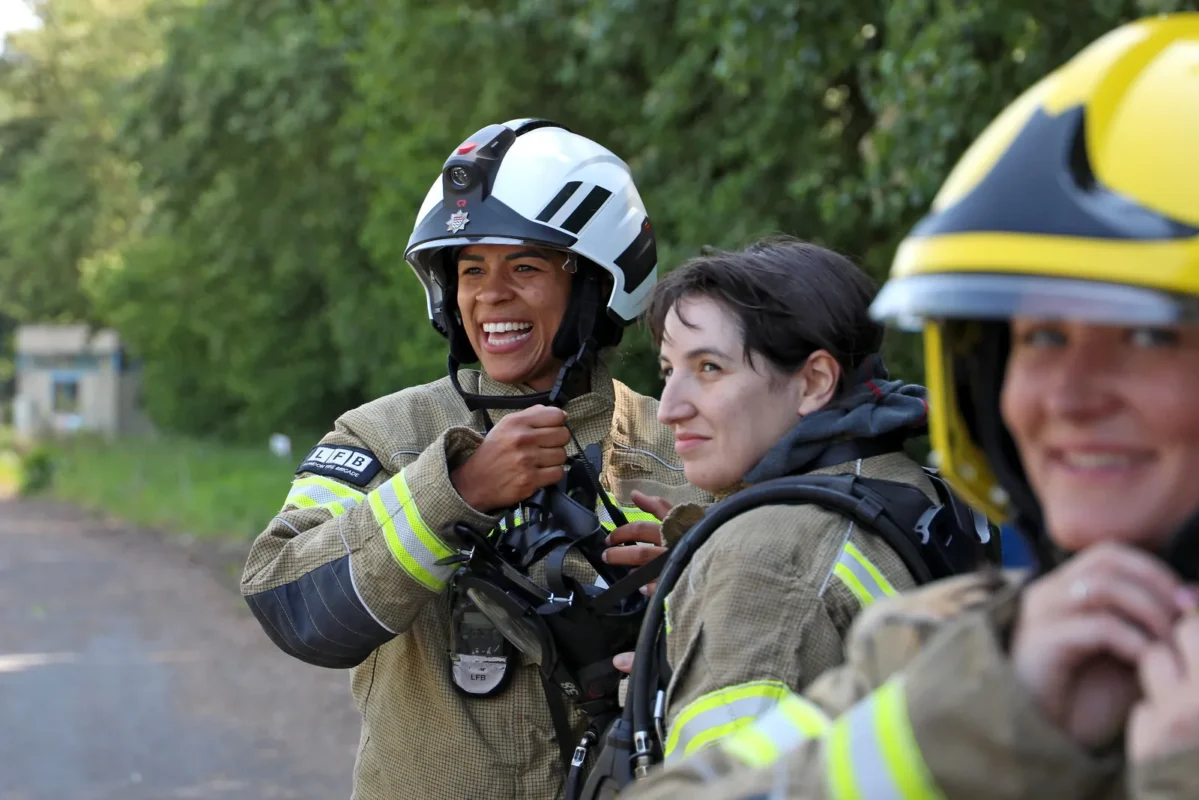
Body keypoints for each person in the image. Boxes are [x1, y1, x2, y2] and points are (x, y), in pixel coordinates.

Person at [622, 12, 1199, 799]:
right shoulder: (968, 647)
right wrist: (982, 714)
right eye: (1039, 339)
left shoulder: (772, 553)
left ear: (816, 380)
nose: (1064, 396)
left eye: (1145, 339)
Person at [239, 119, 704, 800]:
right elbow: (289, 603)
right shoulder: (382, 435)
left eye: (524, 266)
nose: (489, 295)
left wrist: (689, 565)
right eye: (469, 269)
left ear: (597, 289)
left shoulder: (687, 443)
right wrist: (452, 493)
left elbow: (779, 642)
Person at [614, 237, 945, 765]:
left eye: (709, 369)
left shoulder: (759, 555)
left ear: (813, 382)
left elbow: (721, 785)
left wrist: (653, 696)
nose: (670, 408)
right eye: (668, 371)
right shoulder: (910, 486)